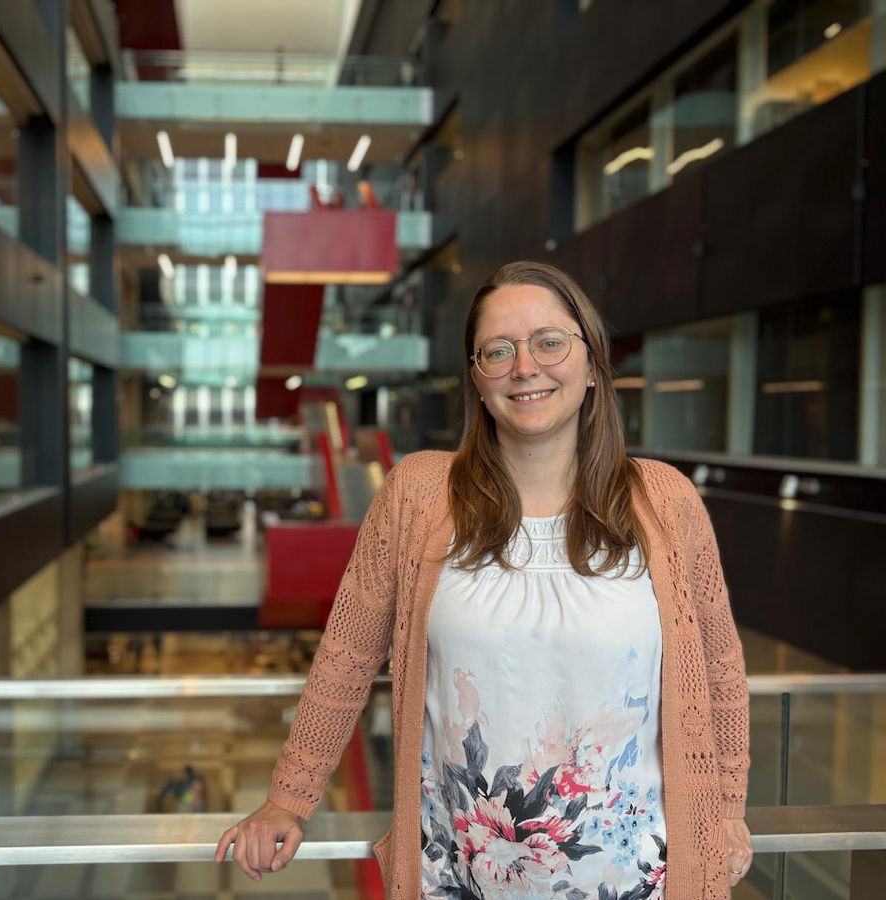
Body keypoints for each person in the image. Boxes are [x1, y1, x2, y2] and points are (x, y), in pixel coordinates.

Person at [215, 261, 752, 899]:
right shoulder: (418, 494)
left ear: (592, 361)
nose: (526, 367)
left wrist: (727, 811)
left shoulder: (665, 502)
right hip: (460, 880)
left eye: (550, 342)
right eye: (498, 351)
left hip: (640, 882)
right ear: (476, 377)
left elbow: (718, 668)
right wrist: (288, 799)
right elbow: (346, 657)